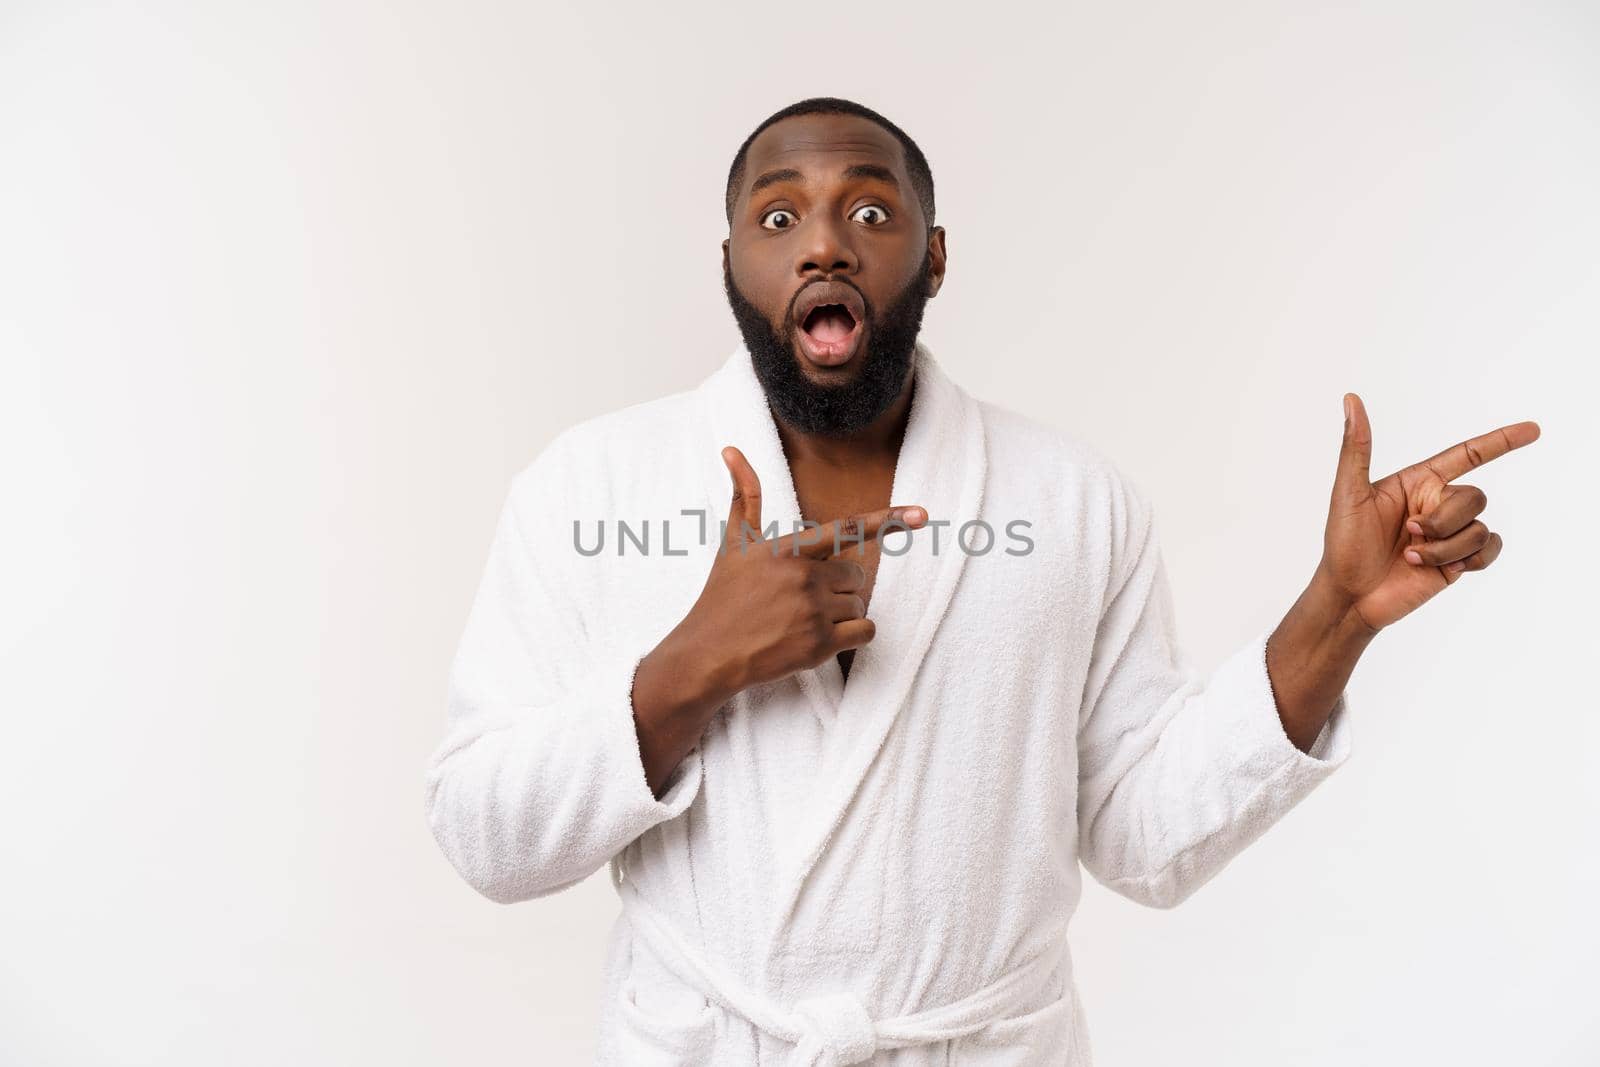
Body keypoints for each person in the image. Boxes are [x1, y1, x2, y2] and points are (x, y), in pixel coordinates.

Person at [422, 97, 1540, 1065]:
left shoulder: (1071, 498)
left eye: (869, 210)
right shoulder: (590, 485)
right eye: (776, 217)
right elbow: (485, 835)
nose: (823, 246)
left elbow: (1145, 839)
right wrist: (686, 670)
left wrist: (1335, 615)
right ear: (728, 265)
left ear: (935, 255)